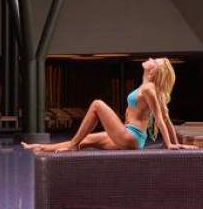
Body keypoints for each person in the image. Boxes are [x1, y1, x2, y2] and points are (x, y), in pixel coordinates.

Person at [23, 58, 189, 153]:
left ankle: (72, 146)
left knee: (97, 105)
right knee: (86, 139)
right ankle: (41, 148)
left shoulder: (149, 89)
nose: (151, 59)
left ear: (155, 71)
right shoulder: (146, 86)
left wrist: (170, 144)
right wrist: (172, 143)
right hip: (128, 135)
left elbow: (161, 119)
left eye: (155, 61)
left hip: (131, 137)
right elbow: (166, 117)